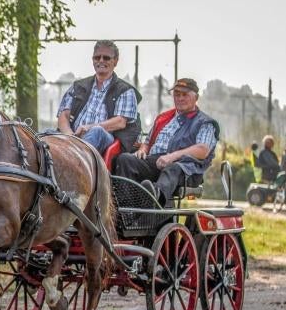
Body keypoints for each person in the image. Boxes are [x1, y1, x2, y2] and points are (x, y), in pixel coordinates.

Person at [112, 78, 219, 208]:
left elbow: (202, 150)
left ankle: (153, 197)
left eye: (185, 95)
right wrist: (143, 150)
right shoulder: (163, 118)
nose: (180, 98)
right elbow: (147, 142)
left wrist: (172, 156)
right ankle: (124, 210)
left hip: (186, 168)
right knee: (125, 159)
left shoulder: (204, 122)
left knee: (172, 168)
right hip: (156, 161)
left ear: (196, 97)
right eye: (177, 94)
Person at [56, 40, 142, 155]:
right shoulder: (78, 86)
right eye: (97, 57)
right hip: (73, 136)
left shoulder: (125, 90)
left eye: (106, 58)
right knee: (45, 135)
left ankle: (74, 159)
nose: (101, 60)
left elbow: (120, 122)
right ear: (93, 60)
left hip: (105, 138)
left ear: (115, 61)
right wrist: (69, 135)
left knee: (96, 131)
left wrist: (89, 127)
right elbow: (63, 115)